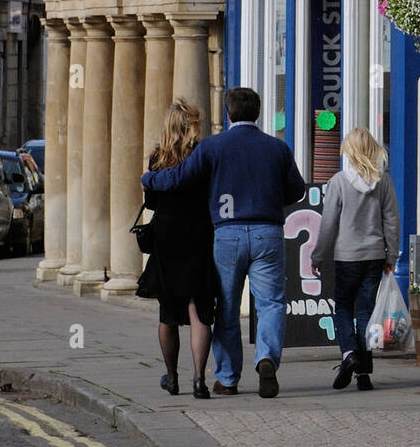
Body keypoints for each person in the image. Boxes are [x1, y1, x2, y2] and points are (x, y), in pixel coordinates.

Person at [142, 86, 306, 399]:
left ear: (228, 114)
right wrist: (271, 200)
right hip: (267, 232)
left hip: (227, 234)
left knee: (226, 308)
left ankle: (228, 378)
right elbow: (296, 190)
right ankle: (266, 358)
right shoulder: (277, 148)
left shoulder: (214, 147)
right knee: (270, 303)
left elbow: (177, 179)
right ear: (257, 113)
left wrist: (148, 179)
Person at [312, 127, 400, 391]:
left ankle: (348, 353)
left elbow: (328, 224)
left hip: (346, 257)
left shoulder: (338, 182)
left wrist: (318, 256)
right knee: (365, 313)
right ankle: (364, 374)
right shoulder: (383, 181)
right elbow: (391, 220)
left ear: (348, 152)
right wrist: (392, 253)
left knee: (342, 308)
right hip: (374, 255)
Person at [141, 99, 217, 399]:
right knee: (199, 309)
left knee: (168, 313)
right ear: (191, 126)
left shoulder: (157, 158)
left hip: (167, 236)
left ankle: (172, 378)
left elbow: (151, 203)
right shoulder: (202, 155)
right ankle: (199, 379)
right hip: (199, 234)